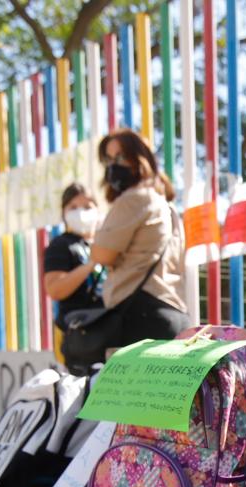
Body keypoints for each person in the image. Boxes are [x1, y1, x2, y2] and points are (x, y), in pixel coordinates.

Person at [58, 129, 189, 370]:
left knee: (127, 405)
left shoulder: (133, 199)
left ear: (139, 158)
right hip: (173, 313)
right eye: (108, 159)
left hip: (140, 317)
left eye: (120, 156)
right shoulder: (167, 206)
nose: (113, 165)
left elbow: (101, 254)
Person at [42, 183, 108, 328]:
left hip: (108, 324)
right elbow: (55, 290)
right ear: (64, 213)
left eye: (87, 207)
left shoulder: (107, 243)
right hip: (79, 331)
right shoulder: (61, 245)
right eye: (73, 207)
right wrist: (91, 265)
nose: (81, 213)